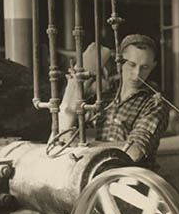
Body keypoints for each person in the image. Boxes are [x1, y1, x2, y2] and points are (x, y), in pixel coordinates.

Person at [59, 34, 168, 168]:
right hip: (102, 173)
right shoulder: (106, 96)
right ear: (120, 61)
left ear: (153, 66)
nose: (137, 74)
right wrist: (76, 86)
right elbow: (66, 131)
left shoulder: (154, 104)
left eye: (144, 67)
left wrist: (85, 146)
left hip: (133, 178)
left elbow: (135, 152)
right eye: (132, 64)